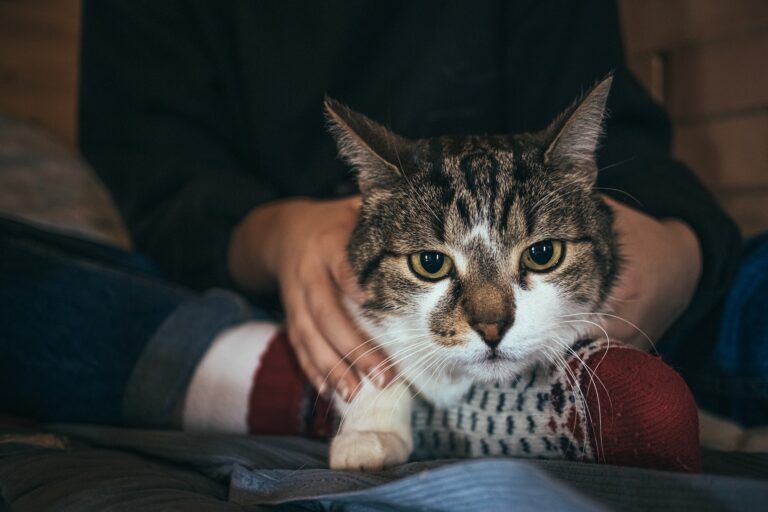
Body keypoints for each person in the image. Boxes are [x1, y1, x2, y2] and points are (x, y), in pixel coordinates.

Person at [2, 0, 759, 430]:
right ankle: (307, 390)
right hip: (276, 298)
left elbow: (616, 130)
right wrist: (276, 233)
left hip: (574, 302)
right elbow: (154, 179)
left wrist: (678, 250)